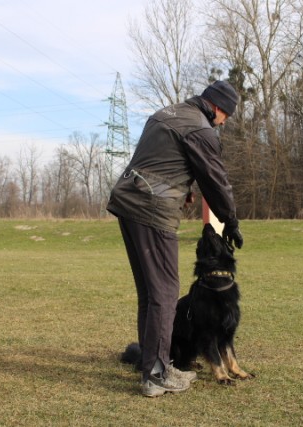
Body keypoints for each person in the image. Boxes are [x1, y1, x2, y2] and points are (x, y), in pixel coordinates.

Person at [107, 80, 244, 397]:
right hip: (152, 210)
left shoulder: (166, 114)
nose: (224, 123)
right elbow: (216, 180)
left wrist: (183, 190)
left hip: (128, 201)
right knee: (166, 293)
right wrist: (231, 220)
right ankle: (156, 375)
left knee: (152, 294)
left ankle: (155, 365)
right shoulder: (201, 128)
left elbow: (160, 162)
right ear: (219, 109)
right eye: (227, 117)